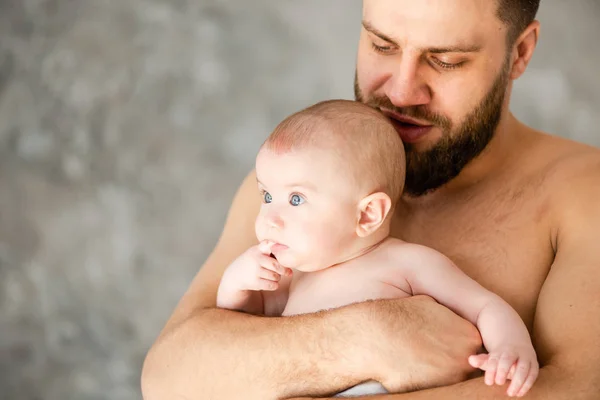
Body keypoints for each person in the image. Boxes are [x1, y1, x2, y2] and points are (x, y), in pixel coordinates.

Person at [141, 1, 600, 399]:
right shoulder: (289, 185)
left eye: (445, 60)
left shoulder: (582, 193)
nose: (400, 91)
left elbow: (581, 389)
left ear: (520, 52)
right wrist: (373, 336)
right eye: (382, 45)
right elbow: (169, 377)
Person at [216, 99, 538, 398]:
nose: (270, 219)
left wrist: (510, 347)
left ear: (368, 214)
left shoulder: (406, 263)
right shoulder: (292, 278)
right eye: (267, 196)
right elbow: (240, 327)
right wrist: (237, 282)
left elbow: (483, 306)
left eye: (296, 199)